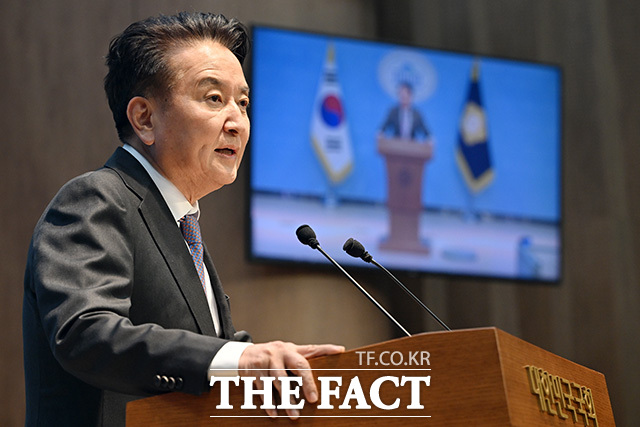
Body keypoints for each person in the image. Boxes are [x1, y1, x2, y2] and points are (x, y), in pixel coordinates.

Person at [22, 12, 344, 426]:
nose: (237, 122)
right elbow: (85, 332)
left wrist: (271, 360)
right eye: (214, 99)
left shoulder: (181, 225)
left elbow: (199, 351)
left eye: (243, 103)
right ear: (144, 118)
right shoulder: (97, 199)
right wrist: (238, 357)